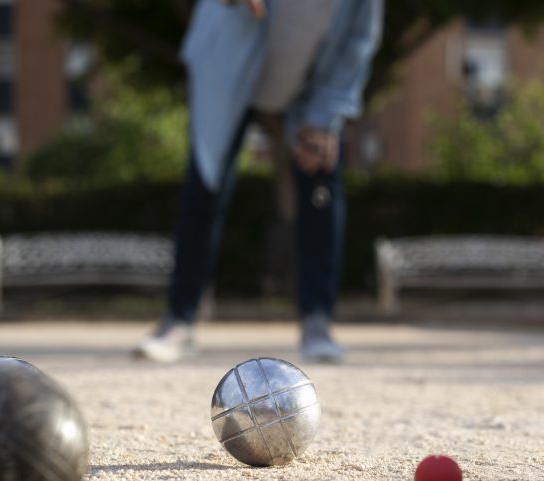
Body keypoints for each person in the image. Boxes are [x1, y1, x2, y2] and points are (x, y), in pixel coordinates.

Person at [135, 0, 383, 363]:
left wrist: (324, 118)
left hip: (306, 85)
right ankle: (179, 320)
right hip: (227, 69)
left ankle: (317, 321)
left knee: (322, 187)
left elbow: (357, 44)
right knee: (204, 188)